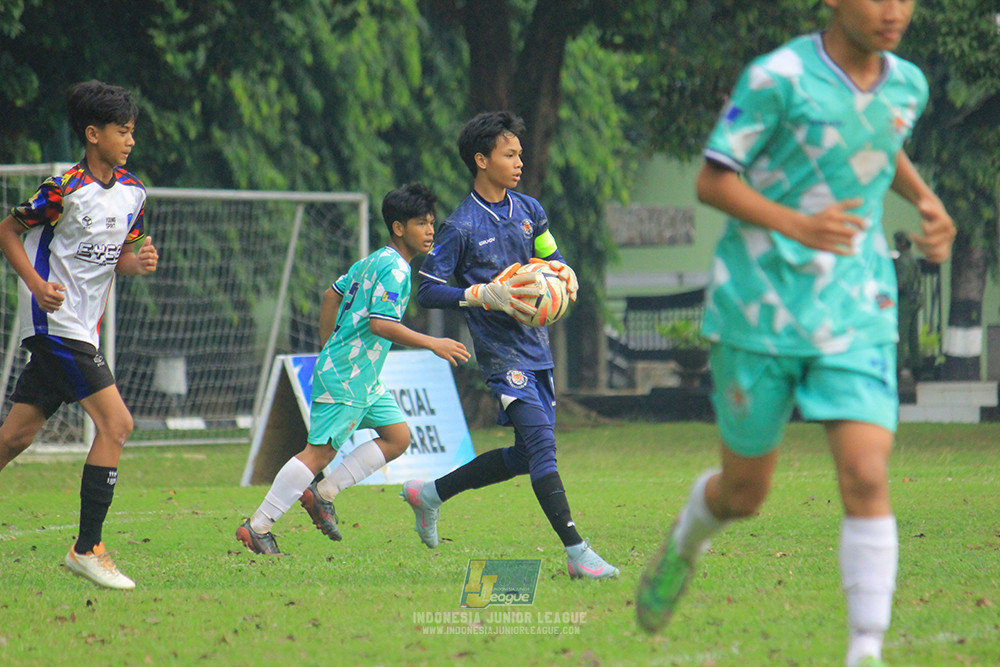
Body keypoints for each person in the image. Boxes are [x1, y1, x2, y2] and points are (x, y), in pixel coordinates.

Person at [635, 1, 955, 665]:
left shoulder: (908, 84)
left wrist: (925, 199)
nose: (895, 9)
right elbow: (712, 180)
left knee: (867, 473)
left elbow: (877, 141)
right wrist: (797, 224)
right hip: (760, 304)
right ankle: (688, 539)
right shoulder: (775, 77)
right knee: (744, 492)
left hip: (856, 303)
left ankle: (865, 649)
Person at [401, 111, 619, 580]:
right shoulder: (459, 227)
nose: (519, 161)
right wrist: (478, 294)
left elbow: (551, 257)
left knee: (525, 455)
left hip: (537, 348)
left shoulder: (530, 211)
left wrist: (565, 277)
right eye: (510, 154)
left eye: (520, 153)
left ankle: (430, 494)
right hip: (501, 356)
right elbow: (427, 289)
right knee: (542, 444)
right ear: (482, 160)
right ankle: (577, 552)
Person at [236, 183, 469, 555]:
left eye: (431, 223)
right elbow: (381, 324)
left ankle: (323, 494)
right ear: (398, 227)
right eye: (422, 223)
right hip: (348, 373)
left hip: (362, 376)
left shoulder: (374, 259)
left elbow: (332, 295)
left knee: (398, 436)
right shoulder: (395, 270)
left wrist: (329, 345)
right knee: (320, 453)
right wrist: (433, 342)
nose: (430, 231)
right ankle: (258, 526)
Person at [0, 80, 159, 590]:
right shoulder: (62, 189)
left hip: (81, 332)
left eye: (132, 131)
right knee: (117, 424)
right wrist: (36, 283)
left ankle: (87, 546)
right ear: (93, 135)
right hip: (54, 327)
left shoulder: (134, 193)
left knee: (15, 436)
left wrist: (139, 263)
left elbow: (122, 260)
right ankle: (87, 547)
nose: (130, 140)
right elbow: (8, 229)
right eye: (121, 131)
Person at [893, 230, 922, 381]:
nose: (896, 245)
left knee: (900, 336)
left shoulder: (902, 261)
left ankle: (897, 368)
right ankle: (917, 368)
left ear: (902, 243)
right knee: (913, 338)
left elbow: (900, 284)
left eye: (898, 242)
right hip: (914, 301)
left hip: (904, 302)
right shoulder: (913, 260)